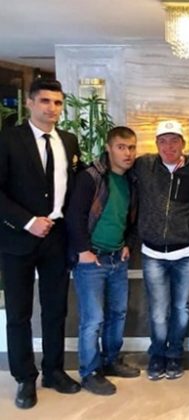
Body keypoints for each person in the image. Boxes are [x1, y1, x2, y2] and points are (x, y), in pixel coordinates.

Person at [0, 78, 82, 409]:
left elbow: (74, 186)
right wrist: (27, 221)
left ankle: (54, 371)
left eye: (58, 102)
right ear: (30, 103)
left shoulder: (69, 141)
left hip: (57, 238)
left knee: (55, 308)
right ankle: (24, 377)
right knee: (19, 312)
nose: (52, 108)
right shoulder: (8, 139)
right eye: (45, 101)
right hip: (17, 237)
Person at [65, 126, 140, 395]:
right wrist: (83, 251)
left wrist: (128, 244)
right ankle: (90, 372)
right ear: (109, 148)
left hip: (117, 258)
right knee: (93, 319)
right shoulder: (91, 177)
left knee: (117, 314)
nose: (127, 153)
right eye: (121, 147)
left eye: (131, 147)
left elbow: (131, 217)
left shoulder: (131, 180)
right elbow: (74, 216)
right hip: (92, 259)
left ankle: (111, 361)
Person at [135, 120, 189, 380]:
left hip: (185, 251)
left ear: (183, 144)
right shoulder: (144, 165)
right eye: (163, 141)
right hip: (153, 252)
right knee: (158, 311)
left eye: (174, 141)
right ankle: (157, 355)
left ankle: (174, 355)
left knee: (181, 308)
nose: (169, 146)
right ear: (156, 144)